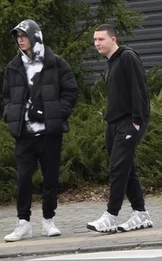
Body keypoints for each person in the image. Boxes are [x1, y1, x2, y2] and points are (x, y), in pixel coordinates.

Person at [2, 20, 78, 242]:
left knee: (50, 178)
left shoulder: (56, 63)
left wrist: (56, 113)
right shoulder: (13, 66)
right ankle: (23, 223)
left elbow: (71, 91)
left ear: (35, 36)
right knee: (24, 178)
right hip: (23, 134)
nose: (20, 39)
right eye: (17, 36)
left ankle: (48, 220)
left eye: (24, 35)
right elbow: (6, 96)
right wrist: (10, 113)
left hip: (49, 133)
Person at [87, 25, 153, 234]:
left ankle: (111, 215)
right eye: (95, 40)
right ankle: (140, 213)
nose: (97, 43)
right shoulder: (111, 62)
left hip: (129, 122)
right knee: (126, 168)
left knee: (118, 168)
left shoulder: (127, 58)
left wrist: (137, 121)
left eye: (101, 39)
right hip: (114, 123)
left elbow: (139, 89)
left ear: (113, 39)